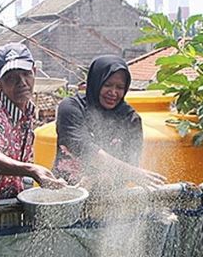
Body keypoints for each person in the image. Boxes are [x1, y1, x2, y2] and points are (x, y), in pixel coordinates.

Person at [0, 42, 66, 201]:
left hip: (12, 206)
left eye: (26, 74)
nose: (22, 83)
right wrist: (33, 170)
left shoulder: (27, 112)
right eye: (11, 78)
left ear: (34, 71)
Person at [53, 55, 166, 190]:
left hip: (109, 197)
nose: (113, 92)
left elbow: (131, 160)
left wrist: (105, 180)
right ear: (96, 82)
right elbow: (83, 148)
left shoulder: (130, 118)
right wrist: (133, 173)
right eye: (107, 85)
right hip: (66, 192)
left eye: (119, 87)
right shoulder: (71, 107)